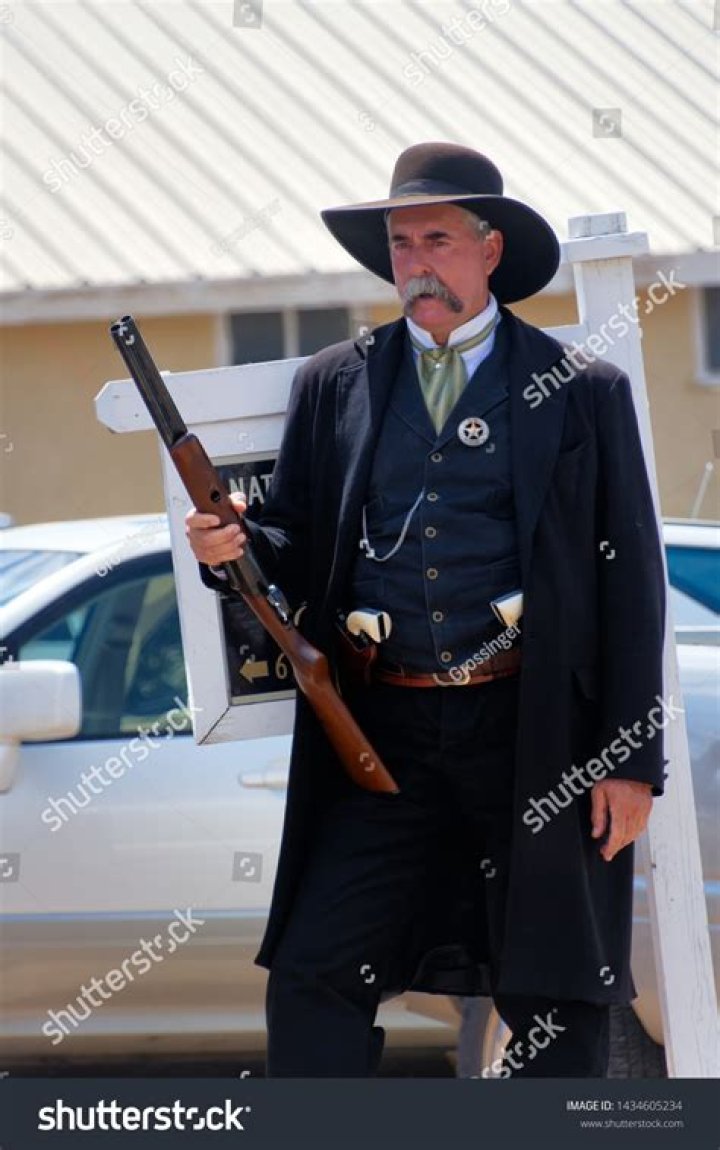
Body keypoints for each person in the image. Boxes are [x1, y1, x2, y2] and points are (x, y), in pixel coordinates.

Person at [186, 142, 666, 1078]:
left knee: (556, 987)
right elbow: (290, 540)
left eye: (437, 239)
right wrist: (231, 546)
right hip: (381, 730)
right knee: (315, 971)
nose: (416, 263)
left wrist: (631, 762)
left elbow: (631, 583)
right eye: (401, 245)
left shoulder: (581, 391)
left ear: (490, 252)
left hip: (533, 731)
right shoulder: (335, 383)